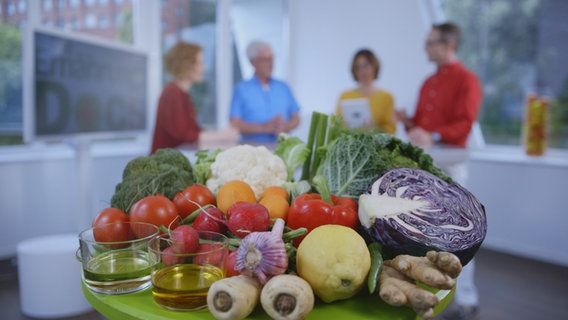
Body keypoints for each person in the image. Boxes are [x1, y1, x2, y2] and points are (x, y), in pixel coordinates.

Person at [396, 22, 482, 320]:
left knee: (463, 235)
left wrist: (431, 135)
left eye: (430, 42)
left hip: (452, 168)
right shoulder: (428, 83)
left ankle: (466, 298)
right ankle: (433, 292)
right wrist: (407, 122)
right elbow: (421, 126)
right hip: (428, 169)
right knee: (429, 235)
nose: (426, 47)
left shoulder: (468, 80)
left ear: (448, 44)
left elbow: (465, 124)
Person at [229, 41, 300, 144]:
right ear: (252, 62)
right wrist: (264, 127)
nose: (270, 64)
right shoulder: (241, 89)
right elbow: (235, 124)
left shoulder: (284, 87)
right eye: (265, 60)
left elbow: (296, 118)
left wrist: (286, 126)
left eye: (271, 58)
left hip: (283, 146)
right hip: (251, 148)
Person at [150, 41, 205, 155]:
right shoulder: (172, 93)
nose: (203, 68)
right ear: (186, 66)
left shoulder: (183, 94)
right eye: (199, 63)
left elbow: (194, 131)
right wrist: (222, 135)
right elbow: (183, 135)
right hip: (163, 166)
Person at [336, 49, 396, 134]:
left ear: (374, 66)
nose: (362, 71)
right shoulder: (345, 96)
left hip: (376, 146)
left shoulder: (386, 97)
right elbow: (338, 125)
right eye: (358, 67)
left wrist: (374, 129)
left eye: (366, 66)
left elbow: (391, 130)